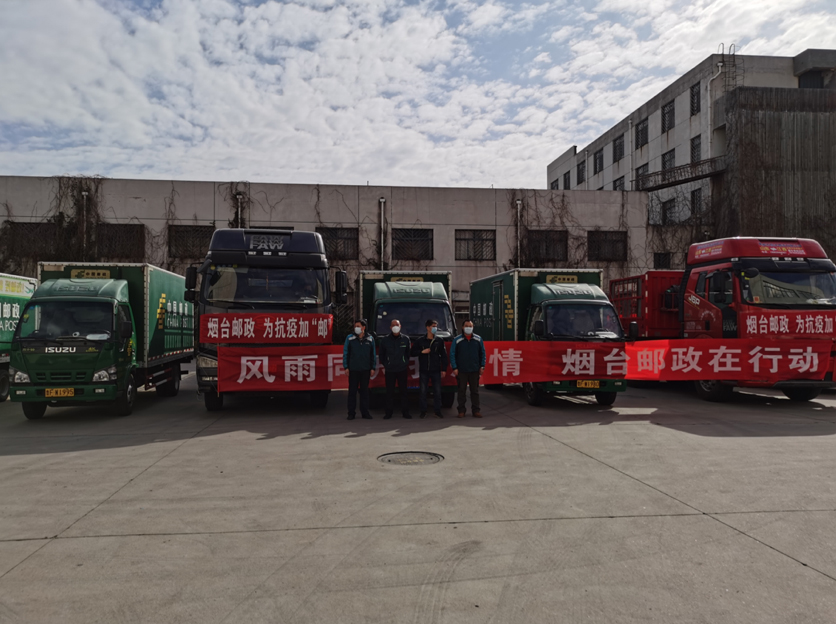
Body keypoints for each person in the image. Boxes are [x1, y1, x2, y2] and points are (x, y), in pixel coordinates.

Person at [411, 319, 449, 418]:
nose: (435, 328)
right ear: (427, 327)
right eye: (433, 326)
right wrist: (421, 352)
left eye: (436, 326)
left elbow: (444, 356)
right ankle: (423, 411)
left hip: (436, 370)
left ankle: (437, 411)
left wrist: (444, 369)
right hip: (424, 370)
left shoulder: (439, 341)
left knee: (437, 391)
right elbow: (412, 352)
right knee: (423, 392)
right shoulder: (420, 340)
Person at [450, 319, 486, 418]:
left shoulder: (478, 339)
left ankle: (476, 410)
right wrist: (455, 367)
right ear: (462, 327)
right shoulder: (457, 340)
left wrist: (482, 366)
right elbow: (452, 354)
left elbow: (483, 353)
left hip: (475, 369)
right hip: (461, 370)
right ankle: (461, 411)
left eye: (470, 326)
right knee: (461, 391)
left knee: (475, 391)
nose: (468, 328)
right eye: (466, 326)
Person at [343, 320, 377, 420]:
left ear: (363, 327)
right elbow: (346, 353)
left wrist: (373, 367)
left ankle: (365, 412)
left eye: (358, 326)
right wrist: (346, 367)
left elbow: (373, 354)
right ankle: (351, 413)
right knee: (352, 392)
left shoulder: (370, 339)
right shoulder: (350, 338)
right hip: (353, 369)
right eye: (355, 326)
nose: (356, 328)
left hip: (365, 369)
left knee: (364, 392)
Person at [379, 319, 412, 420]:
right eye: (393, 325)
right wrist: (387, 364)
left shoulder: (405, 339)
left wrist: (404, 362)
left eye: (397, 325)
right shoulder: (385, 340)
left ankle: (405, 412)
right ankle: (388, 412)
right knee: (389, 392)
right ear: (390, 327)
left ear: (400, 326)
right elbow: (382, 355)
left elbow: (408, 353)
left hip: (402, 369)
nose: (395, 327)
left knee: (404, 392)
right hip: (390, 370)